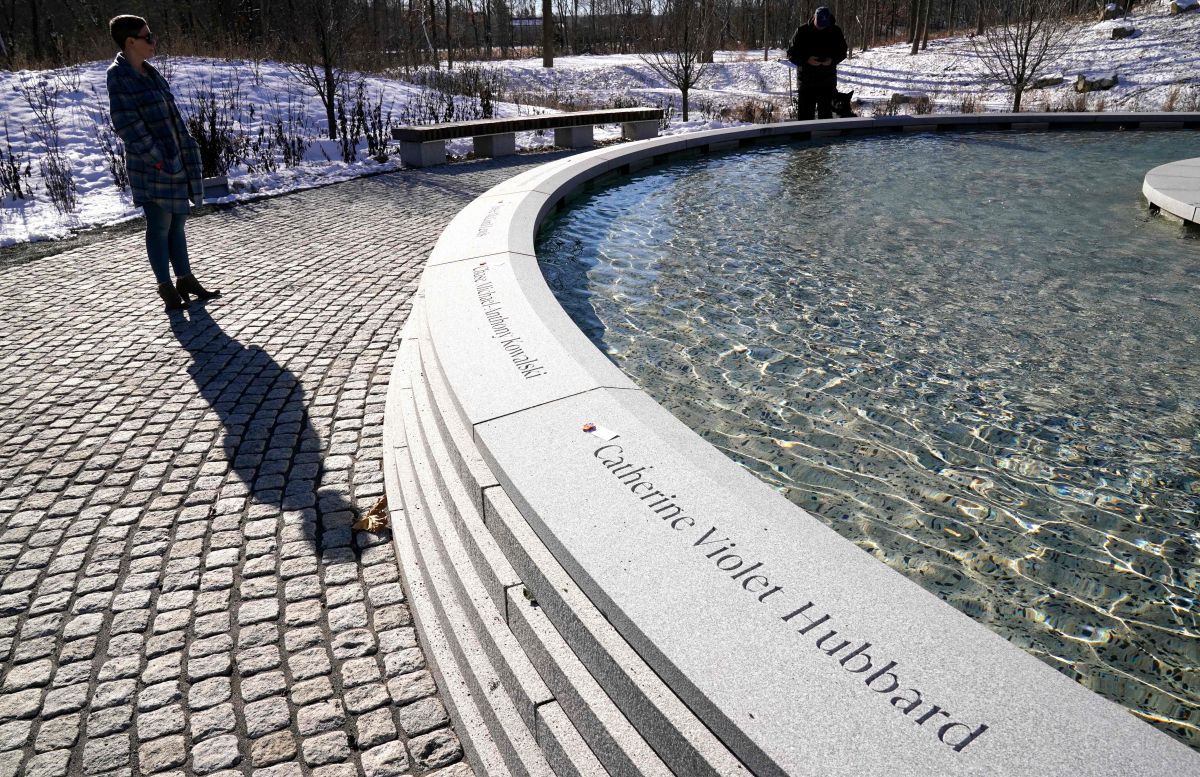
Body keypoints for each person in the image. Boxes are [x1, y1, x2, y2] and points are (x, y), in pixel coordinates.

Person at [107, 15, 220, 311]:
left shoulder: (151, 72)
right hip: (151, 166)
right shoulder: (119, 77)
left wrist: (182, 152)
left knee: (178, 222)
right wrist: (157, 159)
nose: (154, 41)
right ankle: (165, 287)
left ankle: (185, 279)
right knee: (160, 225)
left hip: (175, 159)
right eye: (148, 37)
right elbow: (126, 124)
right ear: (130, 42)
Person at [787, 6, 848, 121]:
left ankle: (826, 139)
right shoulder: (801, 31)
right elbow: (791, 54)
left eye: (824, 25)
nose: (821, 27)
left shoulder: (835, 31)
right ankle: (803, 138)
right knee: (805, 118)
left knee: (826, 118)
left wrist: (832, 60)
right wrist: (806, 60)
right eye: (819, 24)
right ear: (814, 17)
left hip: (827, 81)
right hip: (806, 81)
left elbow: (843, 52)